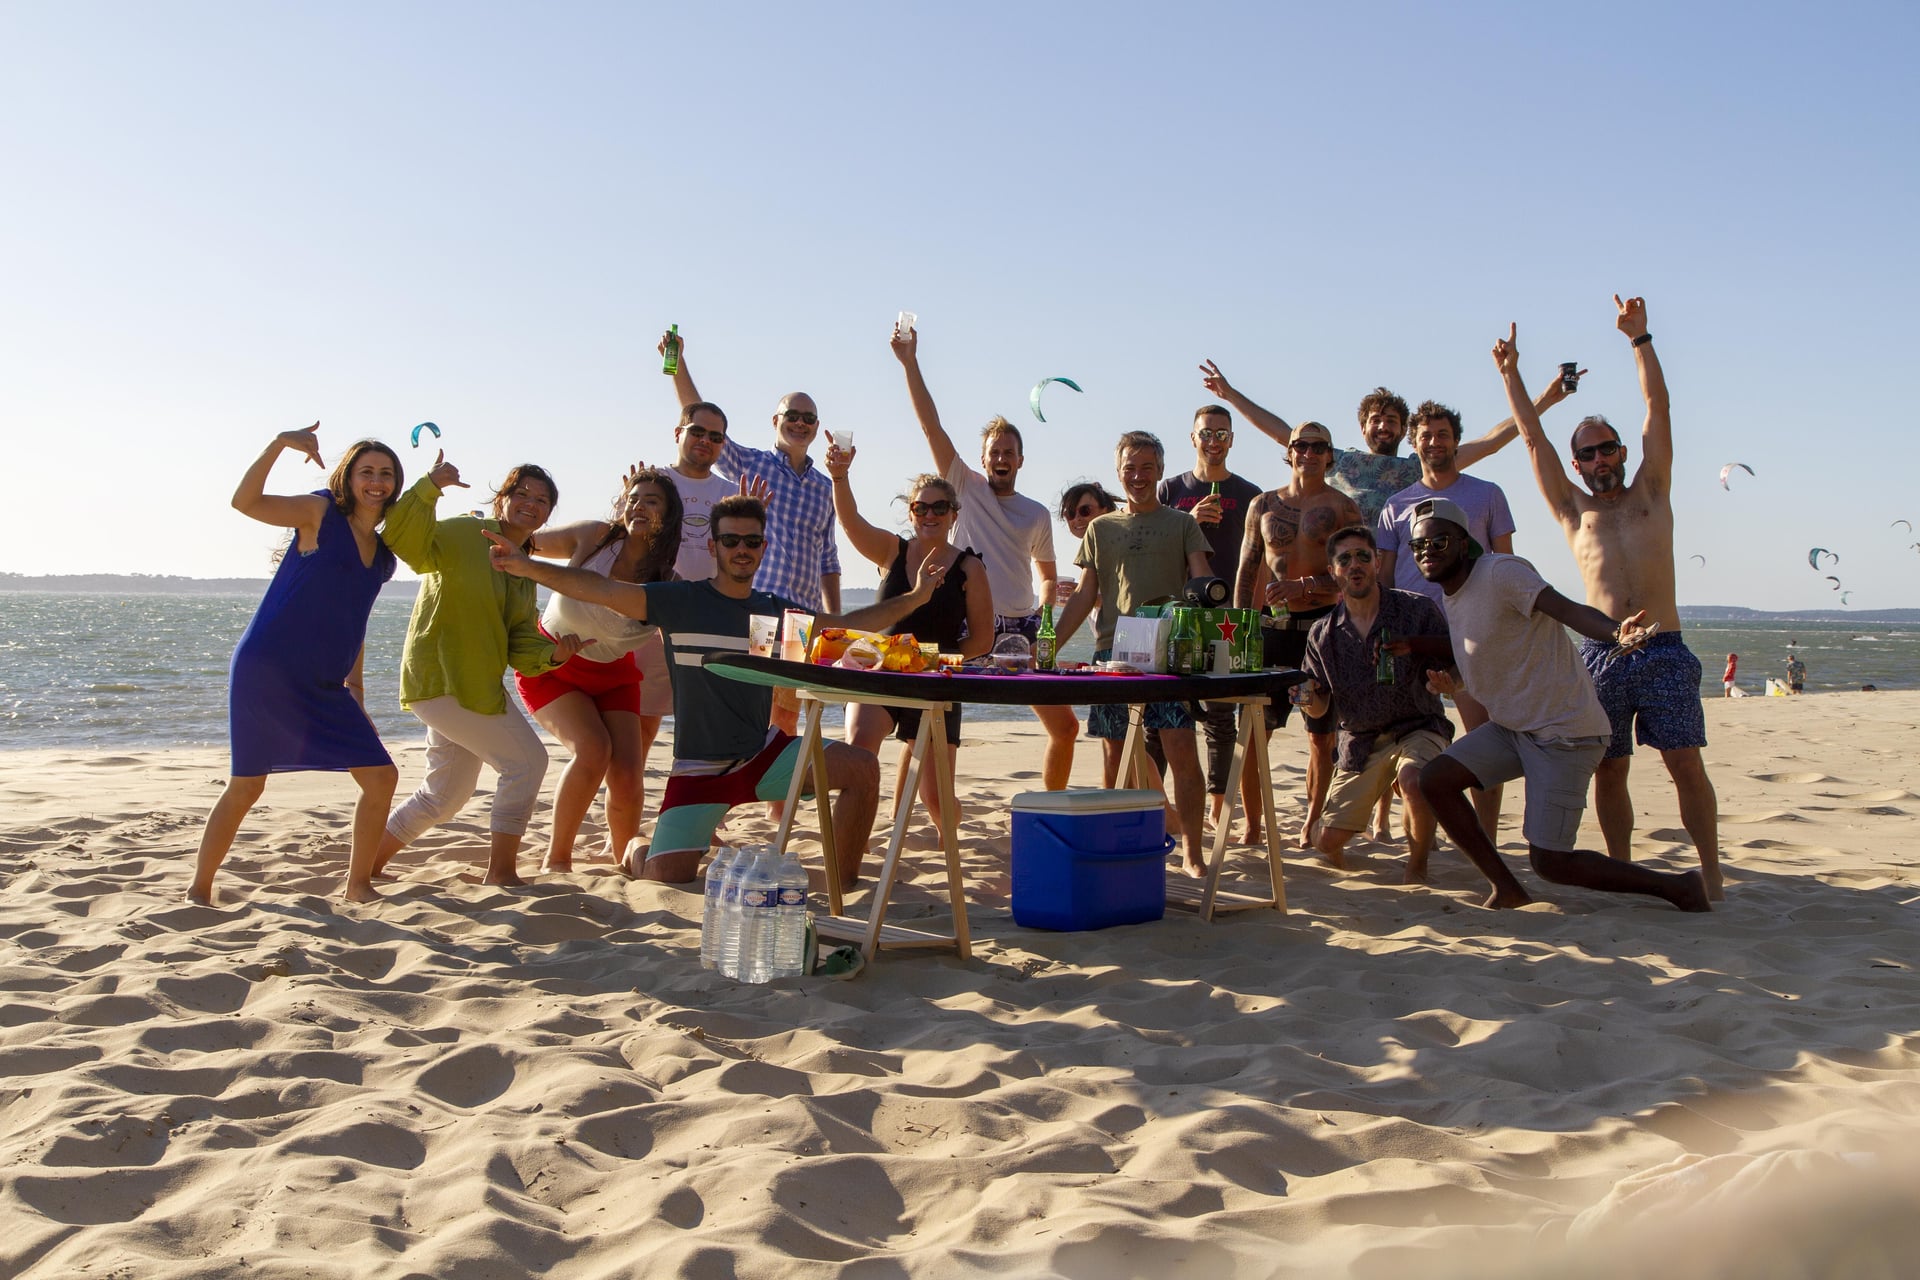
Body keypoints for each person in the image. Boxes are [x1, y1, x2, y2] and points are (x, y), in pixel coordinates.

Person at [483, 495, 950, 889]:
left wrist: (916, 599)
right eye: (730, 540)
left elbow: (843, 628)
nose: (741, 549)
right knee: (666, 876)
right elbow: (600, 589)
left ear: (763, 548)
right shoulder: (681, 602)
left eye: (751, 541)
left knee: (863, 767)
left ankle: (842, 887)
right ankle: (635, 848)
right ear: (713, 546)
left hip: (764, 755)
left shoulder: (771, 614)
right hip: (699, 771)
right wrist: (528, 566)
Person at [1500, 301, 1724, 900]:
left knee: (1685, 765)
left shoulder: (1653, 490)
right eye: (1589, 453)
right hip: (1602, 654)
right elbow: (1532, 439)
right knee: (1610, 768)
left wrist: (1639, 339)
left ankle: (1712, 872)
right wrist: (1511, 375)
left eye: (1608, 448)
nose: (1600, 459)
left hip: (1665, 650)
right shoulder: (1574, 511)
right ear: (1577, 465)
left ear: (1622, 452)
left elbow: (1658, 409)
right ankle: (1625, 872)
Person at [1408, 498, 1711, 912]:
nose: (1427, 552)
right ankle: (1507, 889)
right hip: (1514, 729)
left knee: (1550, 861)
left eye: (1438, 542)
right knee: (1435, 780)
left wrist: (1615, 632)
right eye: (1418, 546)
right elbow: (1493, 659)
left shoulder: (1500, 572)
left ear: (1464, 543)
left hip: (1564, 734)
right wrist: (1452, 683)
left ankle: (1679, 887)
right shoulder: (1452, 596)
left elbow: (1567, 610)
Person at [189, 425, 402, 906]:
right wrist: (279, 445)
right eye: (367, 471)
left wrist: (356, 691)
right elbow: (245, 502)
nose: (376, 481)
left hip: (325, 682)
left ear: (395, 484)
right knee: (247, 786)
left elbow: (355, 620)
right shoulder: (318, 512)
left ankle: (358, 885)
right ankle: (198, 889)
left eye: (386, 474)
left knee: (381, 777)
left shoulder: (383, 558)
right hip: (268, 668)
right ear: (348, 478)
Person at [371, 457, 579, 888]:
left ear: (547, 514)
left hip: (477, 687)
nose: (531, 503)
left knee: (444, 795)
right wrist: (429, 486)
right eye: (521, 493)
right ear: (502, 499)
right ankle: (501, 873)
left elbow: (520, 639)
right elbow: (400, 539)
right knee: (527, 763)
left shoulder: (522, 570)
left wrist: (553, 654)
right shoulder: (467, 532)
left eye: (542, 500)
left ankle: (366, 866)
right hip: (440, 679)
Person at [890, 327, 1080, 788]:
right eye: (994, 452)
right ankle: (907, 816)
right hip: (972, 626)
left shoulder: (1036, 513)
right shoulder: (966, 487)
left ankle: (1049, 805)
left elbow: (1047, 577)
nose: (1001, 458)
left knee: (1066, 727)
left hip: (1023, 629)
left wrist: (1045, 614)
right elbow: (930, 426)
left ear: (1020, 460)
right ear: (982, 458)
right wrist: (910, 362)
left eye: (1009, 453)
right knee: (927, 728)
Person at [1055, 432, 1214, 876]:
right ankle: (1120, 845)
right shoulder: (1100, 529)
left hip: (1168, 651)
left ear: (1160, 470)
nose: (1138, 476)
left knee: (1181, 749)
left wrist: (1215, 622)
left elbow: (1203, 582)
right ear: (1118, 471)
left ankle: (1193, 852)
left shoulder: (1182, 524)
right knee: (1116, 754)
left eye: (1147, 467)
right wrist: (1047, 649)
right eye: (1130, 468)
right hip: (1113, 652)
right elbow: (1085, 596)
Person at [517, 466, 683, 873]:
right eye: (633, 498)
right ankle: (557, 859)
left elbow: (687, 643)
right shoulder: (594, 537)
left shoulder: (668, 580)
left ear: (669, 516)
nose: (639, 506)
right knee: (593, 750)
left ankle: (625, 862)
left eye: (651, 501)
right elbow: (523, 540)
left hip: (613, 676)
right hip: (552, 666)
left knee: (627, 773)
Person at [826, 440, 992, 830]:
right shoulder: (892, 551)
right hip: (880, 670)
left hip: (934, 680)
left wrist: (930, 660)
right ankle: (850, 849)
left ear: (953, 514)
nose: (930, 514)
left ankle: (949, 845)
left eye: (940, 508)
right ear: (911, 512)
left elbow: (982, 641)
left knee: (935, 797)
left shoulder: (969, 568)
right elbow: (850, 522)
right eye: (921, 507)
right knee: (859, 751)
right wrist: (840, 477)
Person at [1376, 400, 1520, 842]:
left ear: (1456, 441)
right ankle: (1404, 832)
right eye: (1426, 436)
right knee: (1401, 735)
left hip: (1473, 631)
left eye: (1443, 434)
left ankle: (1485, 837)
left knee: (1484, 737)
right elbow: (1384, 578)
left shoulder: (1487, 494)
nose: (1434, 442)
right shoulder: (1396, 505)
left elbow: (1506, 564)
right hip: (1412, 635)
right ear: (1414, 443)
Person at [1198, 360, 1577, 527]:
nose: (1383, 426)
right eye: (1375, 420)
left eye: (1391, 421)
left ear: (1402, 430)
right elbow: (1284, 433)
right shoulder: (1339, 461)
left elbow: (1491, 441)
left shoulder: (1419, 467)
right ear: (1363, 428)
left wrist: (1545, 400)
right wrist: (1230, 394)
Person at [1295, 524, 1455, 881]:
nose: (1355, 565)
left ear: (1377, 562)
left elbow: (1455, 662)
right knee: (1326, 842)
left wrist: (1446, 683)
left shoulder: (1416, 610)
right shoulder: (1322, 633)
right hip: (1360, 741)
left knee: (1414, 779)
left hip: (1418, 726)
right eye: (1345, 559)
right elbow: (1318, 707)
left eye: (1363, 556)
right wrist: (1304, 697)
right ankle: (1379, 790)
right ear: (1333, 571)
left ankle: (1417, 867)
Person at [1234, 422, 1362, 848]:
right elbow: (1248, 567)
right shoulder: (1263, 505)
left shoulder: (1344, 509)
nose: (1308, 452)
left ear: (1330, 455)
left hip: (1321, 631)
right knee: (1254, 731)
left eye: (1318, 446)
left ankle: (1311, 821)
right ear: (1288, 452)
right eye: (1300, 445)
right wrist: (1240, 629)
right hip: (1272, 630)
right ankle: (1253, 824)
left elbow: (1355, 573)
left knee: (1320, 736)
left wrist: (1303, 586)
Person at [1159, 404, 1266, 826]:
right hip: (1179, 616)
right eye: (1206, 433)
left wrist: (1251, 616)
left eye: (1222, 434)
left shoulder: (1251, 494)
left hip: (1227, 617)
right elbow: (1156, 546)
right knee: (1165, 712)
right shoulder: (1170, 489)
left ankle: (1219, 811)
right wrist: (1188, 522)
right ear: (1193, 438)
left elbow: (1260, 561)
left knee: (1221, 717)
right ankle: (1161, 806)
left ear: (1232, 440)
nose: (1213, 441)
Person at [1056, 481, 1122, 785]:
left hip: (1121, 653)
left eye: (1085, 510)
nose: (1077, 519)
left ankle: (1159, 809)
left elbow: (1128, 598)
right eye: (1070, 514)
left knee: (1117, 741)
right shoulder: (1094, 548)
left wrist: (1089, 597)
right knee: (1118, 740)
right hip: (1110, 650)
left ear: (1105, 509)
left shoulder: (1114, 540)